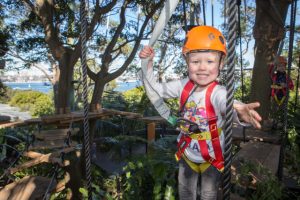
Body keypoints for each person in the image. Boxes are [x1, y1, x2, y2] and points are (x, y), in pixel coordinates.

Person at [139, 26, 262, 200]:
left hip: (211, 159)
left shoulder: (217, 92)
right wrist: (148, 65)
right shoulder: (183, 86)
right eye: (195, 62)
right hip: (187, 154)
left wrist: (240, 110)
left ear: (221, 64)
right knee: (186, 193)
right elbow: (155, 90)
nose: (202, 67)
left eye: (210, 62)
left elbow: (226, 102)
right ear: (187, 62)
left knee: (208, 195)